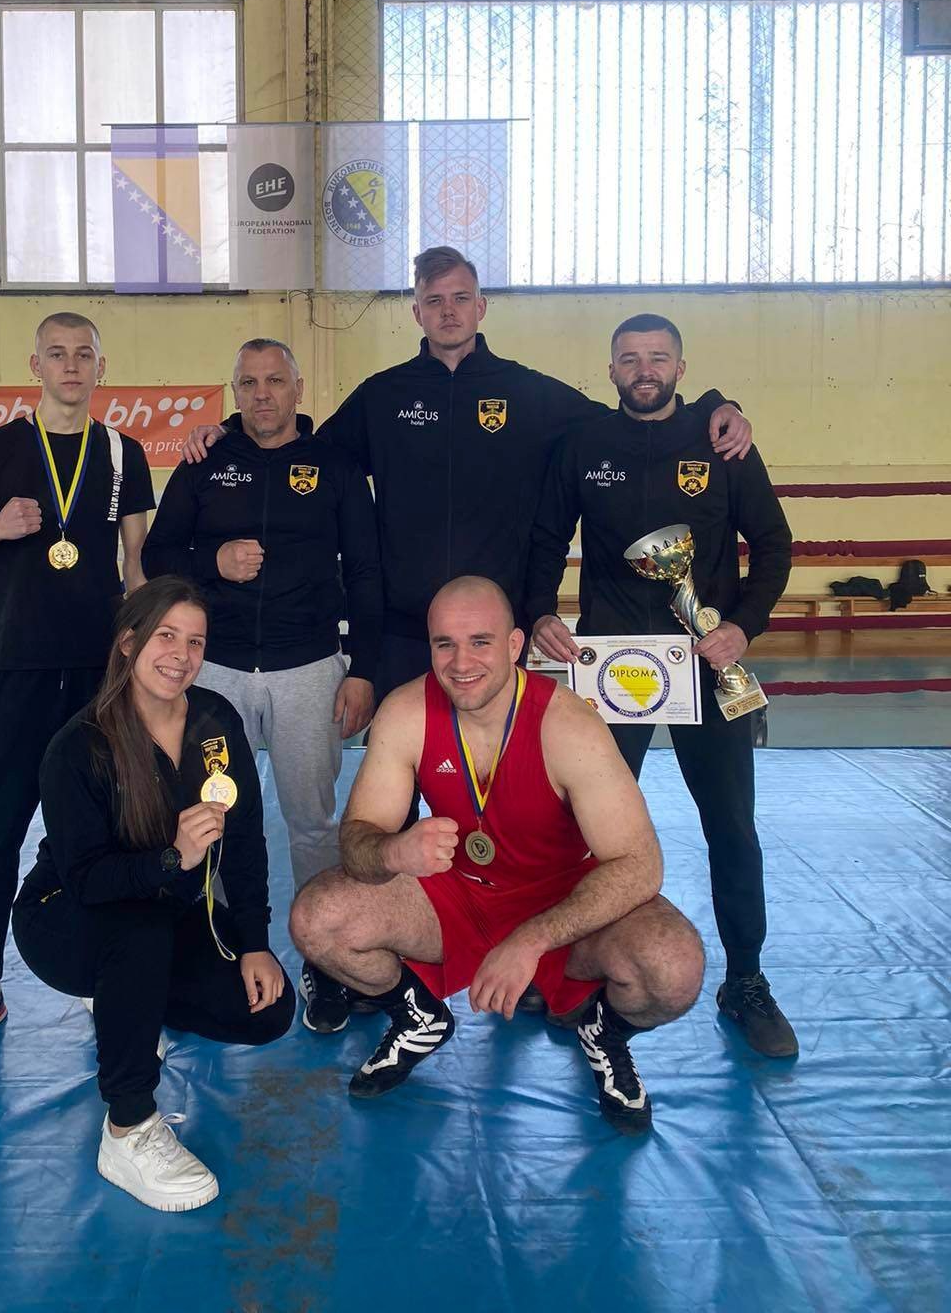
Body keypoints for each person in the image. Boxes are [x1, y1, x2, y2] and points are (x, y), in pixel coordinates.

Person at [183, 247, 751, 704]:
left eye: (460, 298)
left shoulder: (529, 392)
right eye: (434, 300)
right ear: (417, 313)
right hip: (403, 627)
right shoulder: (384, 395)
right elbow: (302, 452)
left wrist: (713, 406)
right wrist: (230, 432)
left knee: (493, 773)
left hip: (496, 628)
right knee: (399, 772)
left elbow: (627, 418)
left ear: (481, 306)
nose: (448, 310)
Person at [289, 577, 704, 1134]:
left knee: (673, 968)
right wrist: (393, 850)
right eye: (445, 644)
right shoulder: (407, 711)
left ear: (514, 645)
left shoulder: (568, 725)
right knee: (317, 917)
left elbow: (640, 864)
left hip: (561, 900)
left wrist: (532, 940)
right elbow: (358, 838)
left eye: (480, 642)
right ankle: (417, 1016)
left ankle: (602, 1032)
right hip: (458, 894)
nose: (461, 663)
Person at [526, 312, 797, 1058]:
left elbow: (774, 543)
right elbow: (546, 538)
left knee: (731, 827)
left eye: (657, 357)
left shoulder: (721, 440)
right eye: (629, 358)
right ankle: (570, 968)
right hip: (614, 665)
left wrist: (741, 626)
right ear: (611, 370)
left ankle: (745, 980)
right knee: (586, 830)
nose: (643, 370)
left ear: (680, 367)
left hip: (706, 666)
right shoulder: (583, 443)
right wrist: (539, 610)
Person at [12, 577, 294, 1212]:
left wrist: (254, 943)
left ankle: (128, 1004)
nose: (181, 654)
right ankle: (128, 1127)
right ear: (128, 642)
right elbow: (88, 880)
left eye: (195, 641)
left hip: (161, 913)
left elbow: (244, 840)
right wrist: (174, 856)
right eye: (166, 635)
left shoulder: (217, 721)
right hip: (64, 919)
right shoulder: (78, 746)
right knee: (137, 928)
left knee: (266, 1011)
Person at [0, 311, 156, 1063]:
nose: (71, 365)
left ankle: (100, 975)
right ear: (35, 365)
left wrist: (146, 661)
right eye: (57, 354)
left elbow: (138, 570)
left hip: (98, 677)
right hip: (21, 670)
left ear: (101, 366)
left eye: (84, 354)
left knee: (104, 832)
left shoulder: (122, 453)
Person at [142, 337, 383, 1034]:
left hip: (308, 668)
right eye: (248, 383)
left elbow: (366, 571)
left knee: (312, 823)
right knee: (209, 815)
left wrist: (364, 668)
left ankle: (325, 959)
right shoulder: (204, 461)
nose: (262, 394)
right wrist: (212, 560)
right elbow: (158, 554)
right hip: (215, 673)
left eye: (275, 381)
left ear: (298, 388)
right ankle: (214, 951)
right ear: (235, 391)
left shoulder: (335, 466)